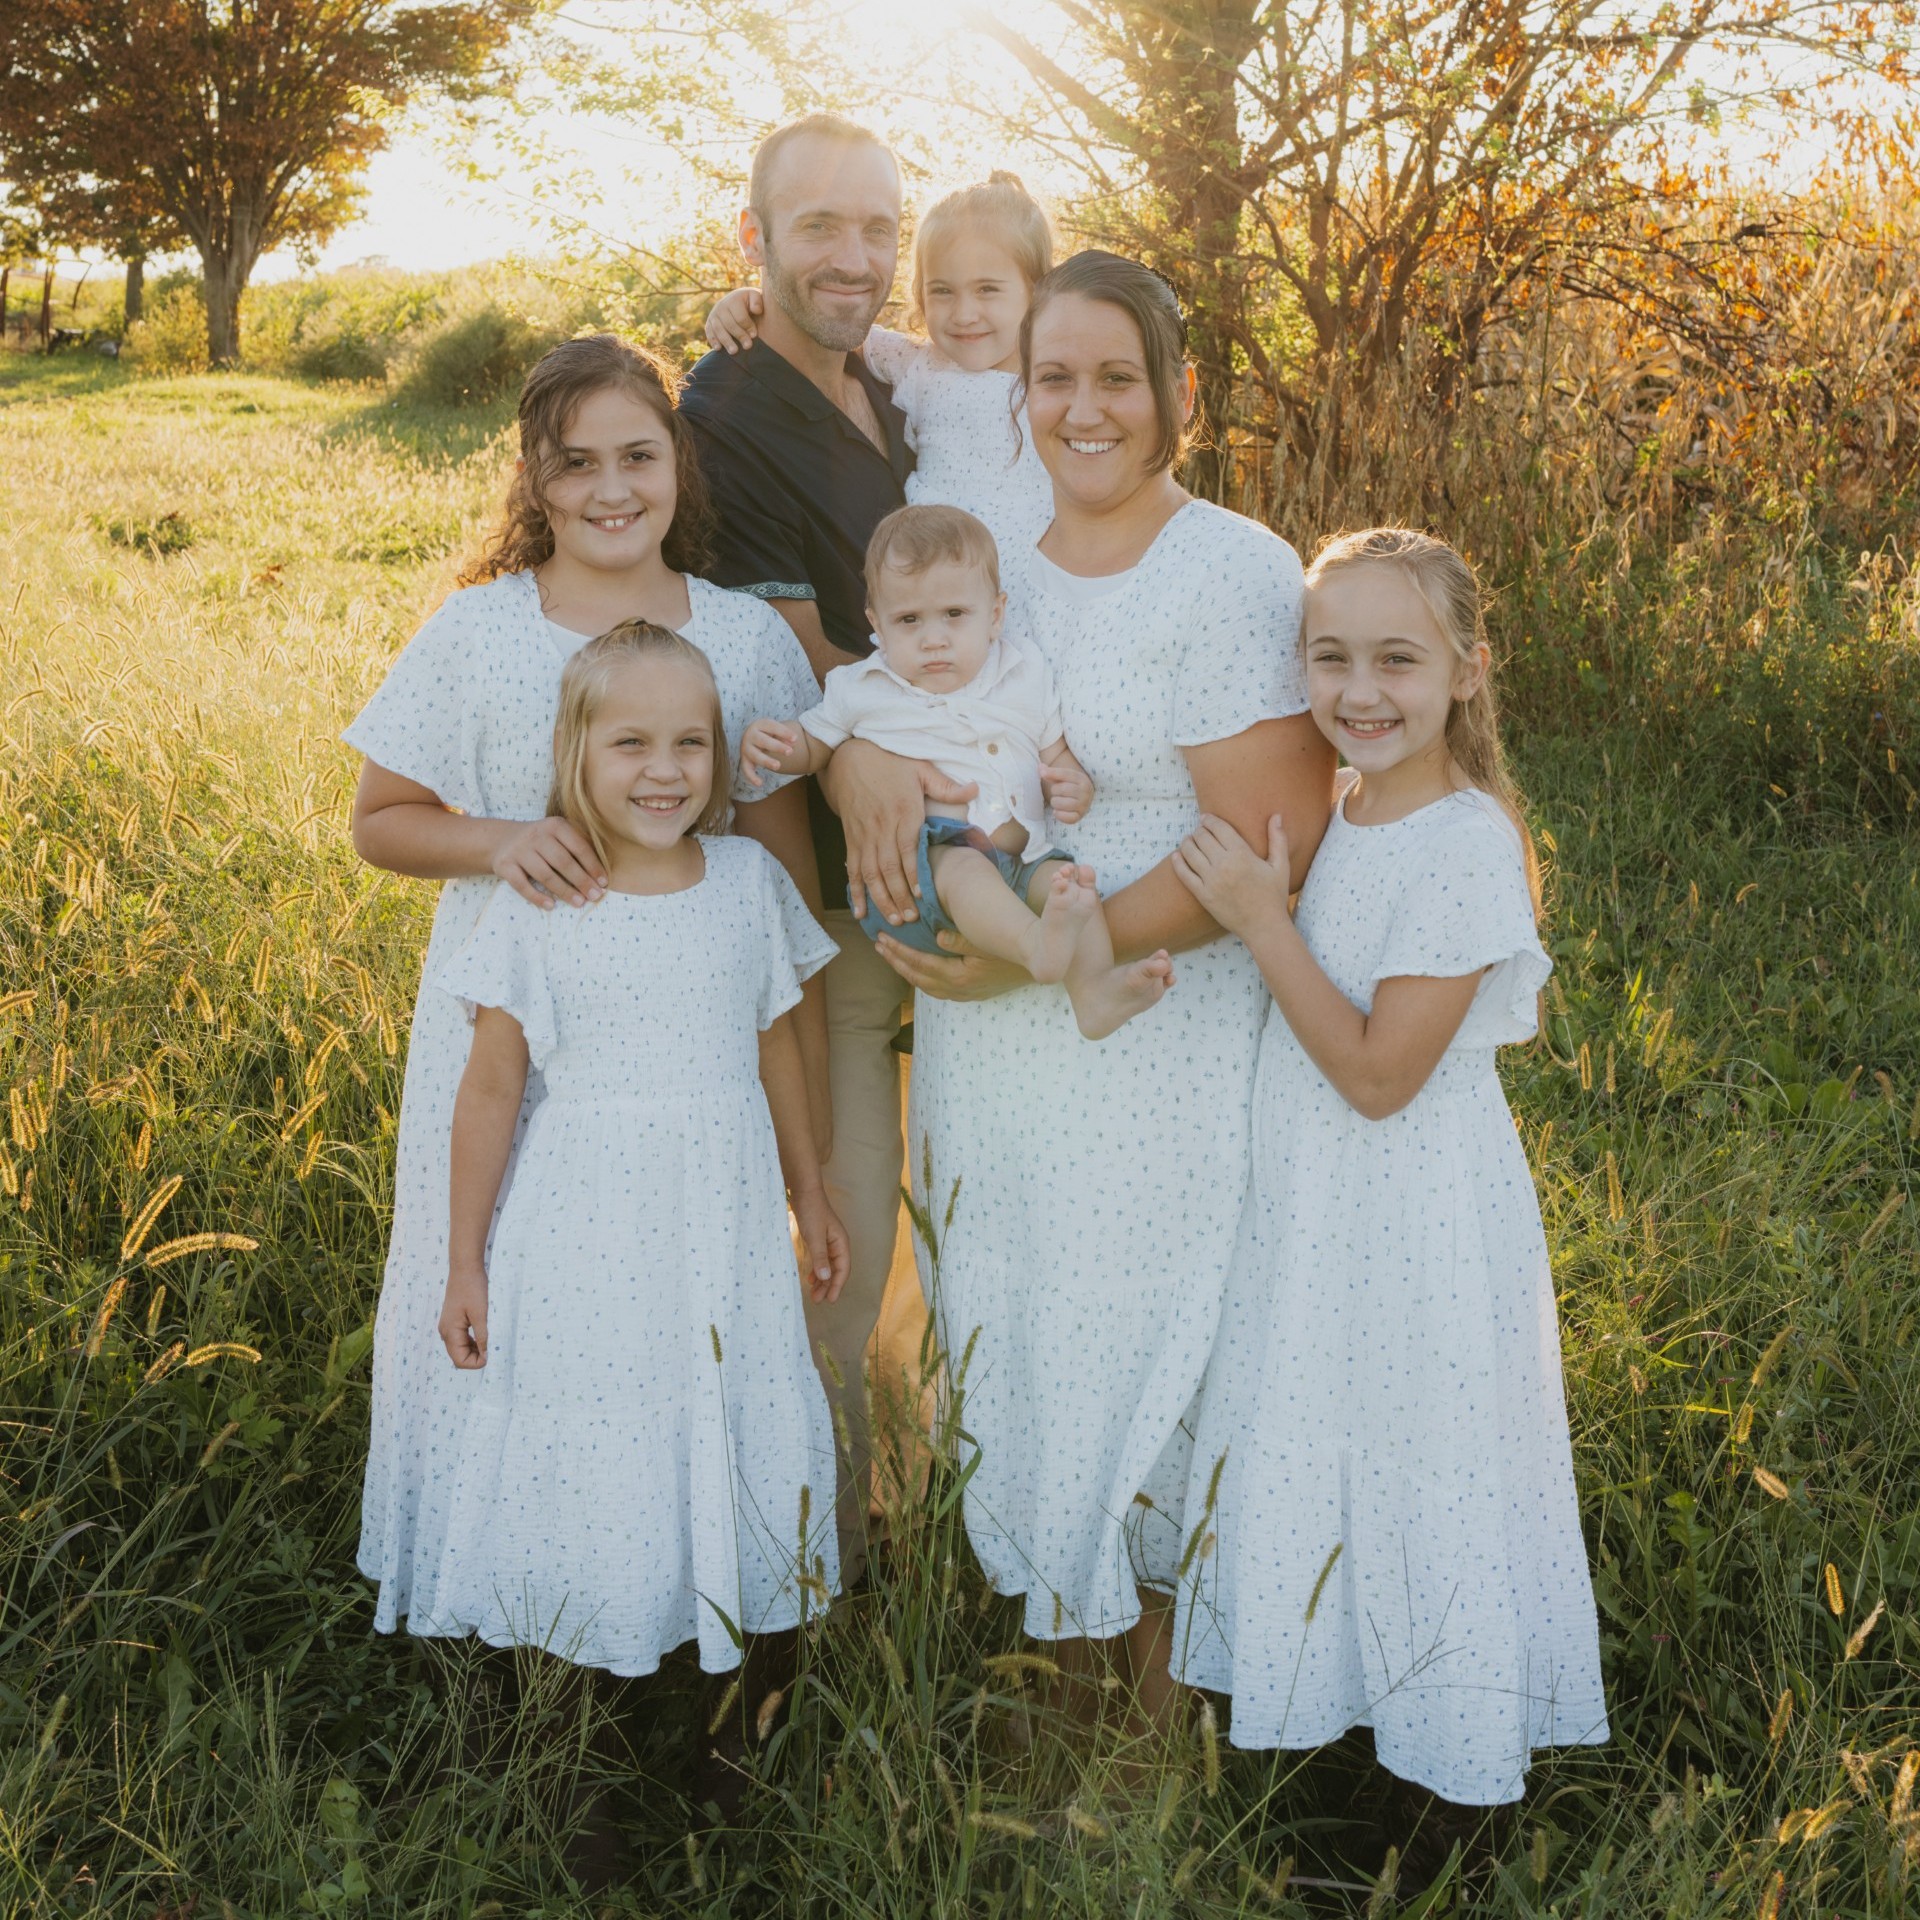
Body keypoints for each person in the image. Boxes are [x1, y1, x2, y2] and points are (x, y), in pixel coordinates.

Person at [849, 252, 1336, 1719]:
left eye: (1117, 375)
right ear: (1018, 397)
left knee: (1144, 1322)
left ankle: (1158, 1725)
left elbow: (1275, 834)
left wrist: (1060, 957)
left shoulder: (1231, 565)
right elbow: (893, 687)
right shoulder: (990, 558)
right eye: (1053, 376)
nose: (1084, 406)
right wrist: (868, 752)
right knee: (1014, 1319)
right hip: (996, 1028)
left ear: (1179, 393)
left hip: (1155, 1001)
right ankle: (1042, 1694)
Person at [347, 334, 820, 1640]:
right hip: (508, 1037)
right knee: (508, 1314)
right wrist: (500, 842)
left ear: (681, 466)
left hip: (682, 1063)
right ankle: (508, 1611)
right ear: (534, 484)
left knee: (673, 1332)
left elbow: (774, 881)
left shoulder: (743, 638)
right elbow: (380, 820)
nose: (613, 490)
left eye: (639, 456)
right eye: (577, 465)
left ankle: (684, 1605)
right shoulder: (480, 630)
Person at [1168, 529, 1608, 1839]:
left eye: (1399, 661)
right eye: (1332, 657)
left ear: (1469, 673)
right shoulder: (1348, 810)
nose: (1362, 690)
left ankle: (1450, 1797)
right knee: (1329, 1448)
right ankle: (1341, 1750)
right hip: (1318, 1216)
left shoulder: (1465, 845)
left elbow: (1375, 1074)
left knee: (1422, 1467)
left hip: (1413, 1217)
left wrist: (1261, 921)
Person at [432, 620, 842, 1722]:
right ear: (576, 753)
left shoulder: (748, 880)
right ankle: (581, 1730)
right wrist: (463, 1262)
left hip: (722, 1217)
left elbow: (779, 1046)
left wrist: (810, 1192)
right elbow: (488, 1091)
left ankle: (731, 1724)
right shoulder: (543, 898)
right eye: (631, 745)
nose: (664, 772)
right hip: (584, 1227)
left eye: (690, 745)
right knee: (598, 1428)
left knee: (722, 1412)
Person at [681, 113, 959, 1580]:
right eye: (818, 229)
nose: (855, 257)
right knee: (842, 1238)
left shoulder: (898, 394)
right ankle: (817, 1567)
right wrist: (853, 780)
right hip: (828, 893)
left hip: (963, 870)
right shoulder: (726, 417)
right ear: (754, 243)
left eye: (878, 226)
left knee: (933, 1226)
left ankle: (910, 1518)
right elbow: (795, 665)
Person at [741, 505, 1174, 1039]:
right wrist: (775, 746)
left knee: (1070, 886)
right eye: (909, 621)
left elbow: (1056, 754)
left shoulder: (1024, 672)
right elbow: (813, 746)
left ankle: (1094, 994)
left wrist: (1073, 787)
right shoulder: (863, 688)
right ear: (876, 624)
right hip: (925, 875)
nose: (933, 639)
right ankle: (1034, 947)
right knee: (966, 870)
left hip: (1021, 858)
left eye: (954, 615)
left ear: (995, 614)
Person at [706, 171, 1057, 571]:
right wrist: (751, 302)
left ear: (1037, 290)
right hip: (928, 577)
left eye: (987, 289)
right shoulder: (919, 363)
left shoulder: (1056, 380)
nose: (964, 315)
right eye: (942, 290)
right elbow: (829, 326)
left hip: (1032, 567)